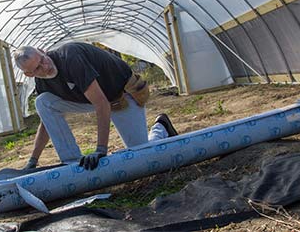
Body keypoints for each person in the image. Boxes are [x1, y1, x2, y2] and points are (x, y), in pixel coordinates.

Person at [13, 42, 178, 171]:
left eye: (43, 59)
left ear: (41, 50)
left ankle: (161, 127)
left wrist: (100, 150)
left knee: (142, 156)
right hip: (91, 99)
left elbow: (102, 104)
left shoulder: (70, 57)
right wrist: (32, 161)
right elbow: (46, 122)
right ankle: (71, 161)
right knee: (42, 102)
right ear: (29, 74)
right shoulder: (42, 82)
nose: (45, 67)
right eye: (38, 68)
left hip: (120, 95)